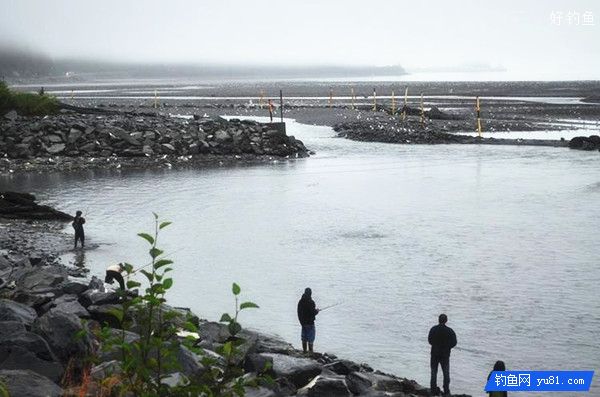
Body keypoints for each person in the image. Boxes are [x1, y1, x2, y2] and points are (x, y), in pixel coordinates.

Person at [428, 313, 457, 396]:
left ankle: (433, 390)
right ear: (446, 321)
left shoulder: (433, 329)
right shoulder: (450, 331)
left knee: (434, 373)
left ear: (438, 320)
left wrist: (435, 345)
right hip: (445, 355)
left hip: (434, 354)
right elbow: (454, 342)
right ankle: (446, 390)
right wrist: (448, 347)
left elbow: (430, 340)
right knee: (446, 373)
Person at [297, 287, 319, 353]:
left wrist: (301, 322)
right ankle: (310, 353)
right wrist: (316, 311)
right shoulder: (311, 302)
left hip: (303, 323)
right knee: (311, 339)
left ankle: (304, 352)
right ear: (310, 293)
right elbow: (312, 313)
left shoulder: (300, 301)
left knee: (304, 338)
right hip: (310, 323)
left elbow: (298, 312)